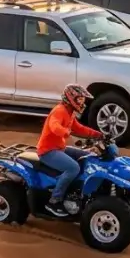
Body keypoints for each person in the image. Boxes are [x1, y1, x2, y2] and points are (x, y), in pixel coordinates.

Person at [36, 85, 107, 217]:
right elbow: (54, 126)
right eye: (80, 99)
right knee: (73, 168)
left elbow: (79, 128)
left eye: (82, 100)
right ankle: (54, 201)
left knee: (89, 156)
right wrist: (67, 133)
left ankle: (78, 190)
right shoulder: (59, 110)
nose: (82, 102)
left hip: (60, 148)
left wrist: (98, 134)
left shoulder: (70, 113)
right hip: (47, 151)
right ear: (71, 98)